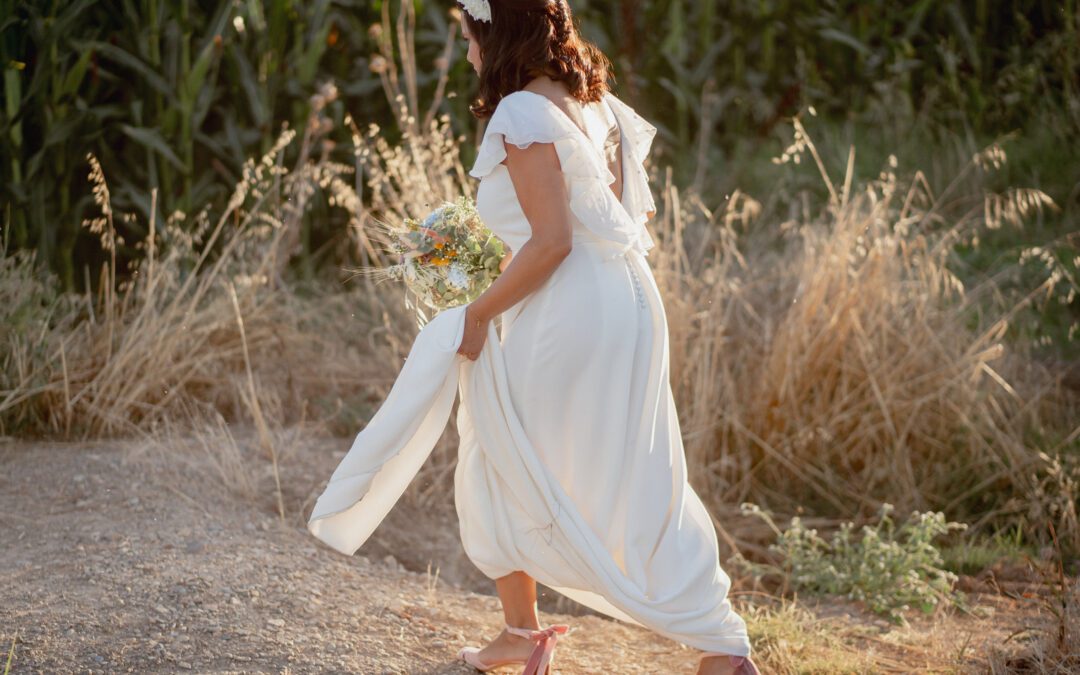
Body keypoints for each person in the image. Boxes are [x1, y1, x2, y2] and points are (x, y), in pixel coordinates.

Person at [307, 0, 759, 673]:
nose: (467, 55)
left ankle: (542, 633)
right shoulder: (588, 97)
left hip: (570, 308)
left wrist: (478, 312)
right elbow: (603, 217)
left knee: (500, 448)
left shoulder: (519, 112)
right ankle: (713, 644)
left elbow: (552, 241)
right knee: (640, 473)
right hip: (629, 301)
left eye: (469, 38)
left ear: (497, 33)